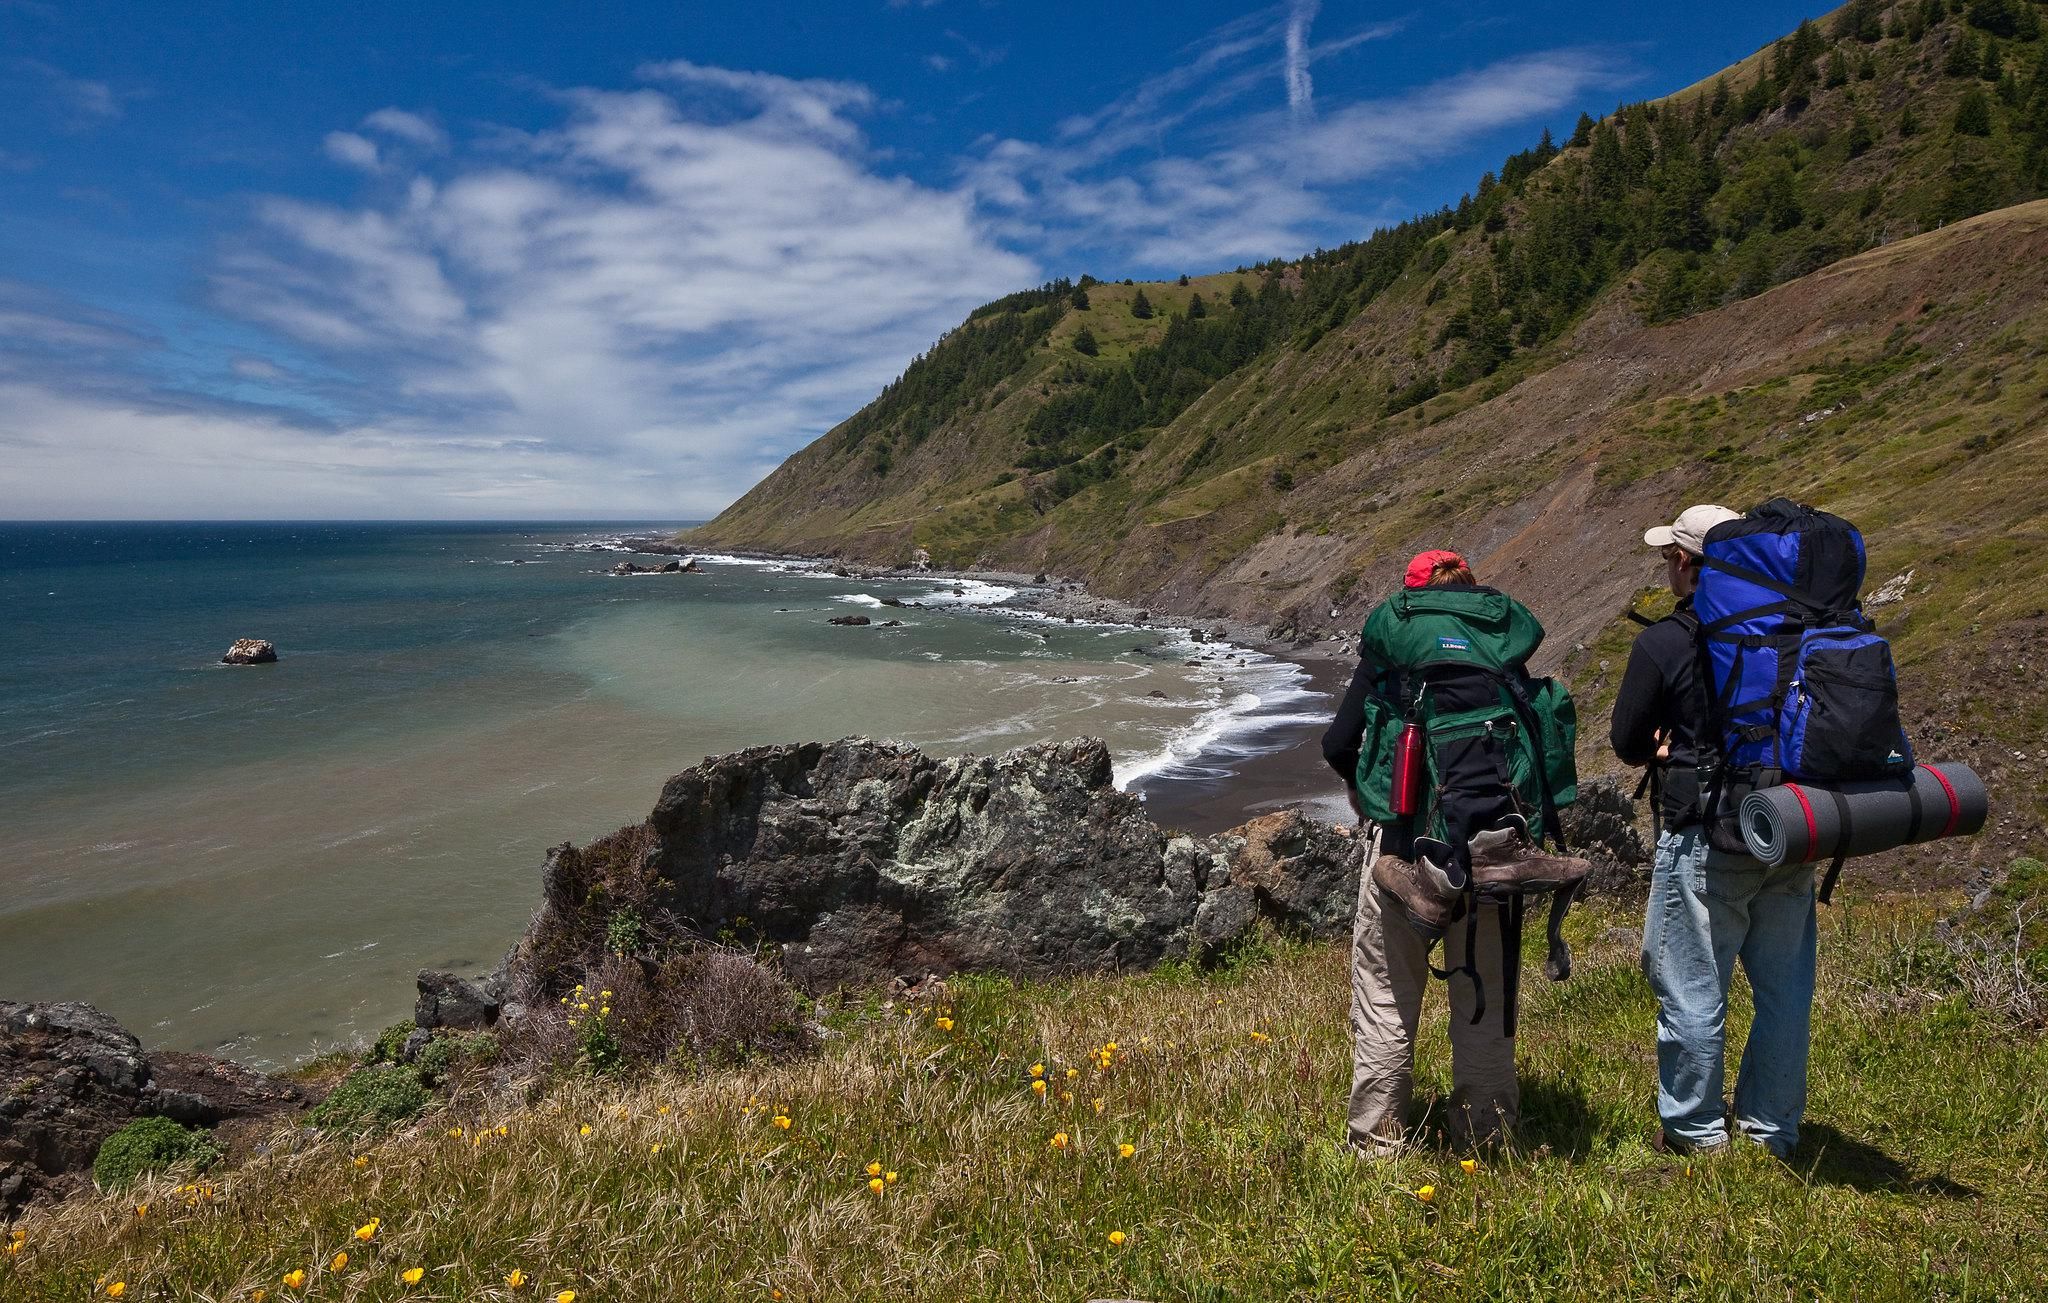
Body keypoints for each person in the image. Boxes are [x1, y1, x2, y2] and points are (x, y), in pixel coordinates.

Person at [1322, 549, 1585, 1154]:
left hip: (1404, 855)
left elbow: (1339, 743)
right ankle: (1487, 1134)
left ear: (1411, 599)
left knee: (1387, 994)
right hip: (1497, 851)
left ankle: (1379, 1143)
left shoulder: (1396, 656)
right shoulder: (1502, 651)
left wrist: (1377, 797)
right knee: (1485, 995)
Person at [1612, 504, 1817, 1158]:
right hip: (1789, 828)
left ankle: (1696, 1135)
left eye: (1667, 556)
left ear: (1683, 563)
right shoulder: (1793, 627)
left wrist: (1668, 748)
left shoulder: (1666, 641)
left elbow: (1625, 740)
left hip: (1707, 834)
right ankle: (1770, 1132)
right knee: (1784, 992)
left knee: (1694, 988)